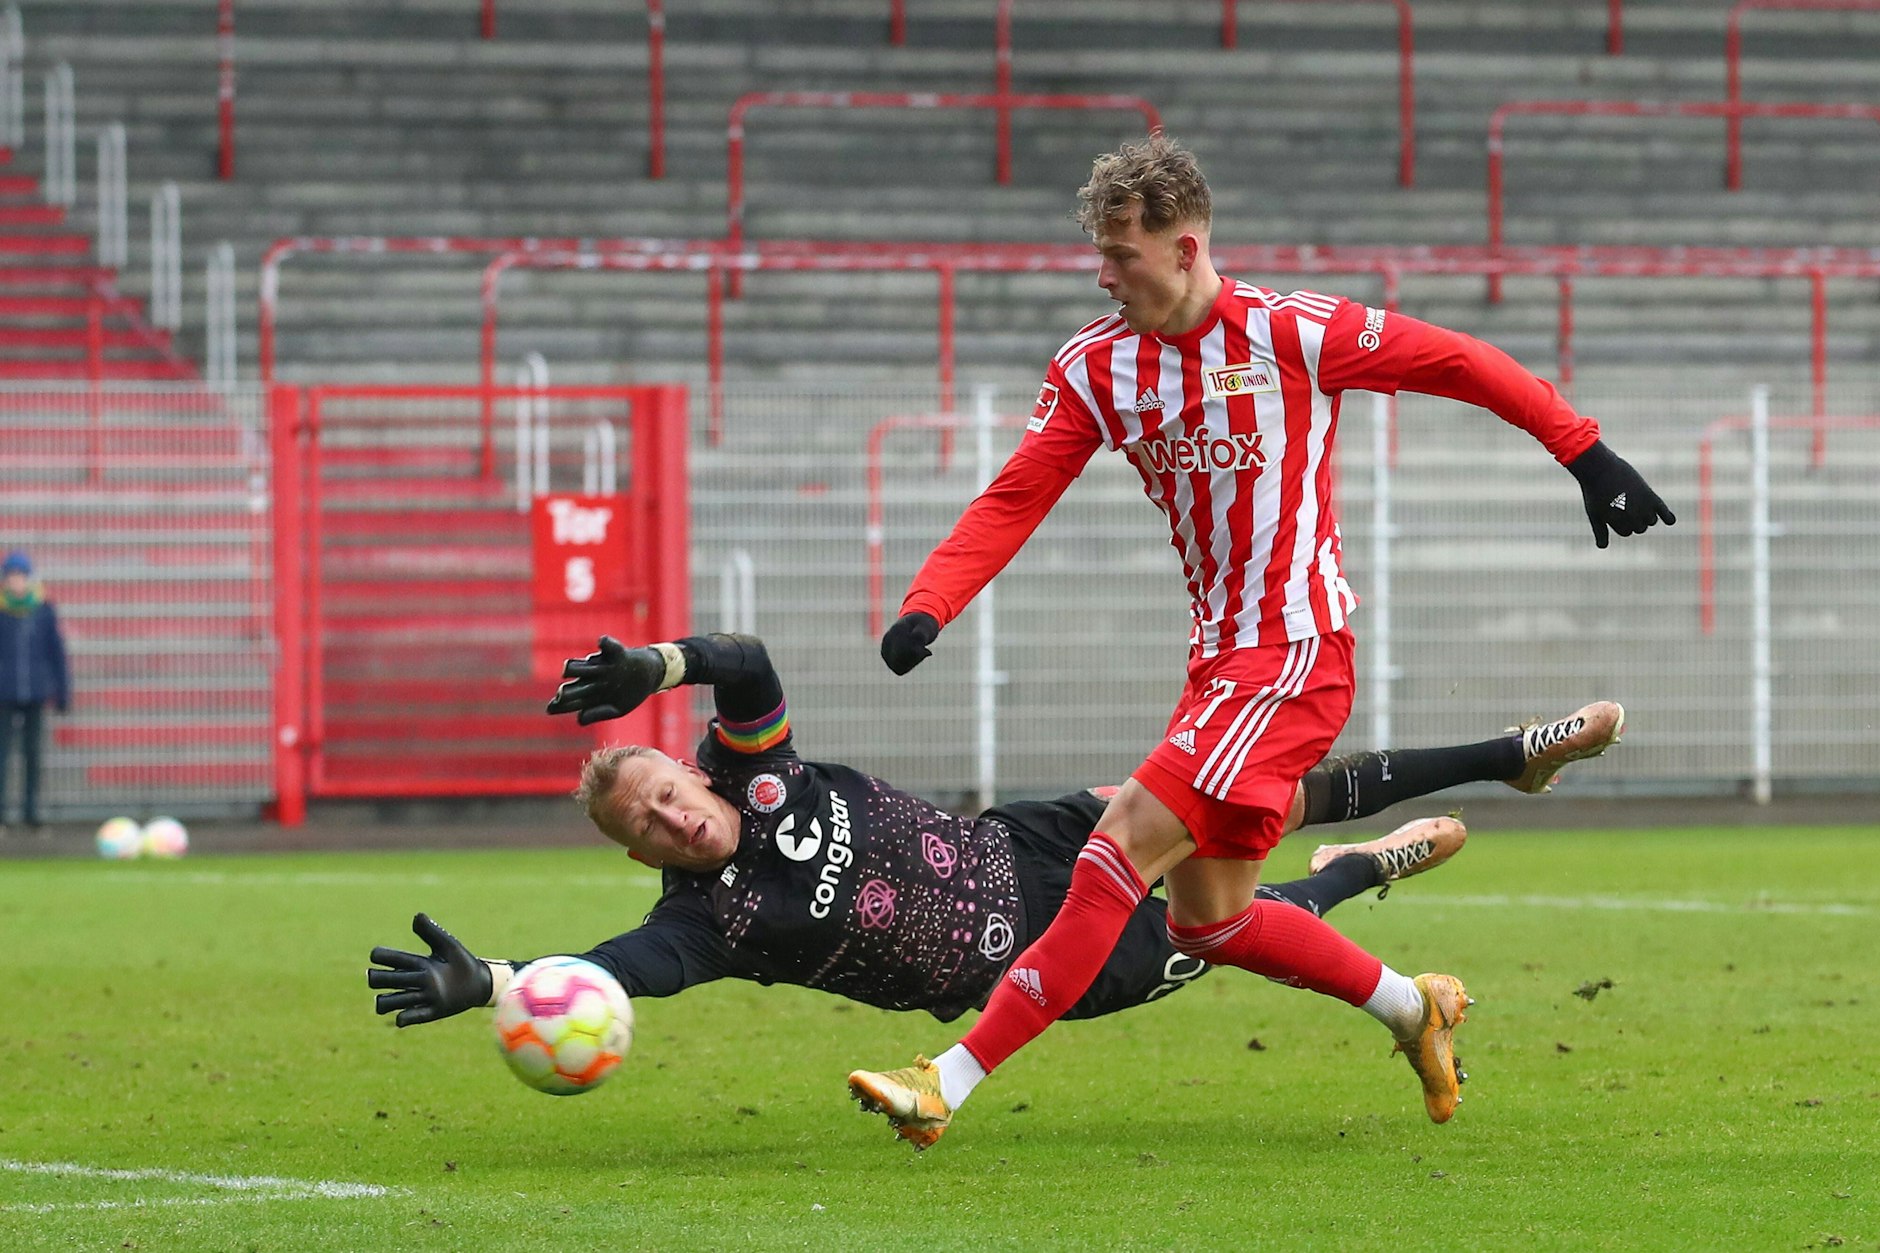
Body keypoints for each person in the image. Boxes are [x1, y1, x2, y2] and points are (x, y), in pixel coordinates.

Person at [848, 133, 1672, 1147]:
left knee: (1116, 849)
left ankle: (946, 1078)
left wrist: (1583, 450)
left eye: (1122, 256)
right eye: (1100, 256)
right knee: (1209, 919)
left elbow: (1456, 360)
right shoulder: (1096, 365)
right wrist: (930, 603)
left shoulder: (1292, 332)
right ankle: (1411, 1005)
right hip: (1219, 666)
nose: (1105, 277)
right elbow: (1017, 494)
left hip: (1295, 654)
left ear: (1186, 248)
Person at [366, 633, 1624, 1065]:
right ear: (638, 850)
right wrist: (496, 982)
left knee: (1262, 790)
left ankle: (1506, 752)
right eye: (640, 823)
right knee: (1242, 922)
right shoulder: (707, 921)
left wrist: (657, 663)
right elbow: (613, 971)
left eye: (660, 789)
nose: (666, 815)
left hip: (1034, 835)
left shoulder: (757, 766)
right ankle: (1366, 871)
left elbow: (743, 665)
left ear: (688, 770)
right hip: (1043, 962)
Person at [0, 550, 70, 836]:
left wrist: (62, 690)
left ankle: (31, 813)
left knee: (33, 755)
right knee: (2, 755)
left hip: (36, 693)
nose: (16, 581)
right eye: (11, 576)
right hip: (4, 694)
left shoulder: (43, 610)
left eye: (21, 575)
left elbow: (56, 652)